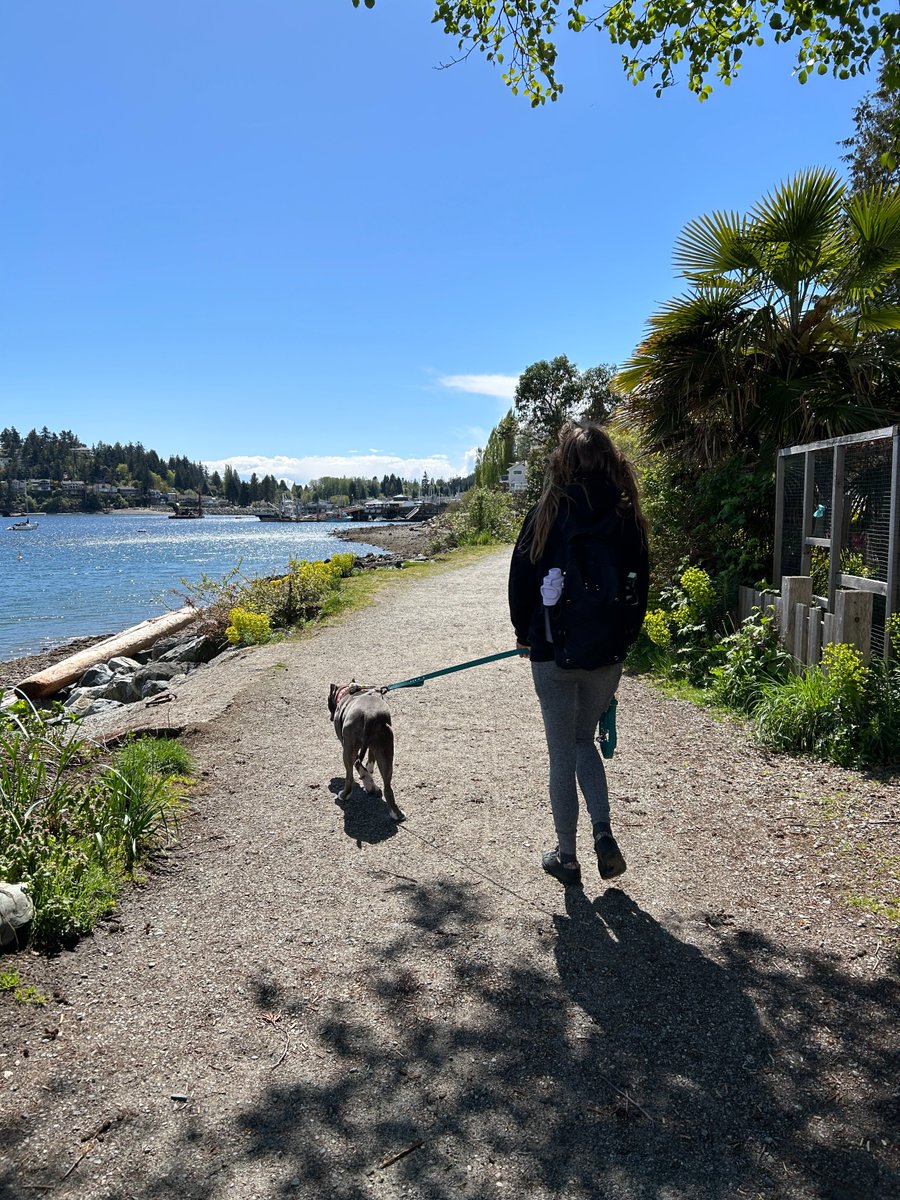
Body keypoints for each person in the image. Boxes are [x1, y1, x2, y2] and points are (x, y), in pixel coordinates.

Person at [508, 421, 649, 887]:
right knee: (583, 739)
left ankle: (566, 857)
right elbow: (640, 586)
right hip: (606, 653)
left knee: (560, 753)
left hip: (552, 649)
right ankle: (603, 831)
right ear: (610, 461)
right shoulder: (628, 516)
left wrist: (523, 634)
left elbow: (521, 580)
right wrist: (623, 642)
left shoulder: (549, 510)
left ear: (562, 462)